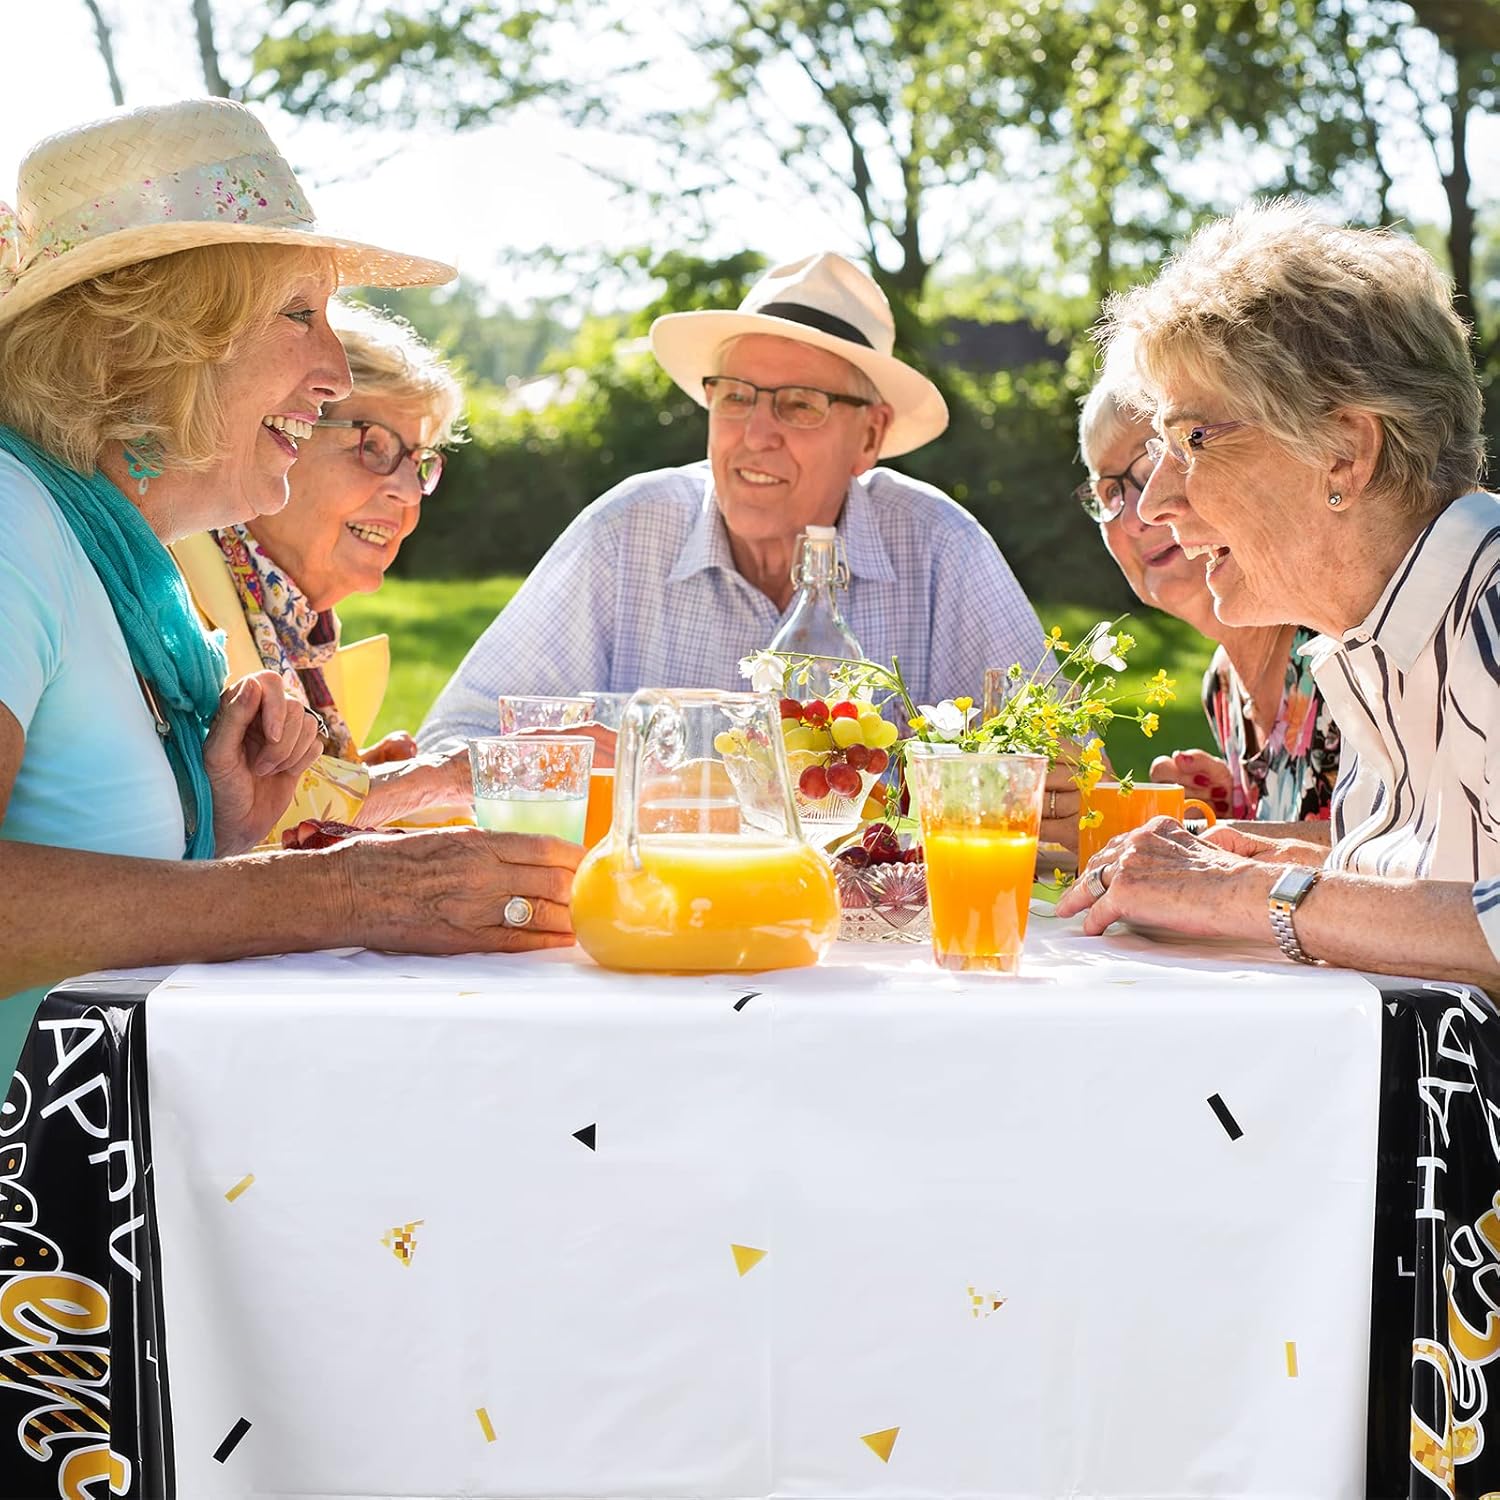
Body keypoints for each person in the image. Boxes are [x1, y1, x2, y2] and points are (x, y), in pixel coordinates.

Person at [0, 99, 582, 1080]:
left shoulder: (110, 557)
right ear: (156, 334)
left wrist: (220, 834)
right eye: (299, 313)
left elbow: (96, 906)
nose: (333, 371)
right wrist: (340, 893)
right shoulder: (12, 518)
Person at [419, 250, 1079, 843]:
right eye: (735, 397)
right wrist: (562, 768)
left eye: (799, 405)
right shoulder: (625, 534)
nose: (755, 433)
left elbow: (1068, 780)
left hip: (876, 956)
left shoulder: (941, 548)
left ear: (870, 437)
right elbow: (454, 743)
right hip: (654, 932)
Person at [1059, 201, 1499, 990]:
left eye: (1192, 440)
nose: (1155, 500)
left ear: (1343, 451)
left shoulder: (1492, 612)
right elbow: (1462, 880)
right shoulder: (1373, 644)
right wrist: (1293, 859)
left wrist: (1249, 893)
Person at [171, 300, 476, 833]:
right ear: (285, 435)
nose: (407, 492)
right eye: (374, 447)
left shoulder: (300, 630)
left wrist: (362, 775)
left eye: (419, 462)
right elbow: (208, 819)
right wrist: (442, 776)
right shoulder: (176, 580)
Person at [1077, 367, 1340, 825]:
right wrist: (1225, 813)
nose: (1138, 515)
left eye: (1159, 461)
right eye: (1111, 492)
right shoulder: (1221, 686)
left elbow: (1394, 862)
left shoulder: (1337, 643)